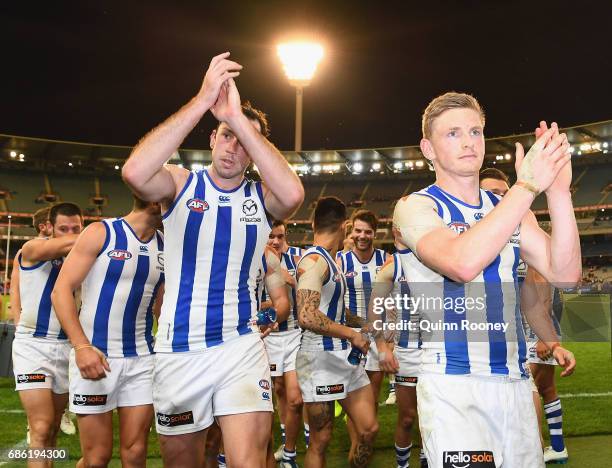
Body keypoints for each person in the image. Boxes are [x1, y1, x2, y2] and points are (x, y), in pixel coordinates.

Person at [121, 52, 304, 468]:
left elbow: (293, 196)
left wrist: (238, 119)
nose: (233, 147)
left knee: (247, 463)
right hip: (178, 349)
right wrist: (205, 99)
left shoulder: (262, 197)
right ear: (211, 139)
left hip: (239, 345)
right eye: (226, 135)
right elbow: (134, 173)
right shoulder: (181, 182)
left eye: (242, 141)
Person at [392, 92, 580, 467]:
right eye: (453, 133)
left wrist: (558, 193)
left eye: (476, 132)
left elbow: (567, 274)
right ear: (427, 148)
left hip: (514, 383)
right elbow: (461, 263)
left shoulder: (505, 208)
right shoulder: (416, 206)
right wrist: (526, 188)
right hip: (454, 385)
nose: (468, 142)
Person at [51, 197, 165, 468]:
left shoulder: (167, 244)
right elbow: (61, 290)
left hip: (142, 362)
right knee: (96, 458)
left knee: (136, 455)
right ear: (154, 201)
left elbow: (163, 306)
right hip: (95, 356)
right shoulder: (102, 232)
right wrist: (82, 347)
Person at [480, 167, 574, 463]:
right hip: (490, 335)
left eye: (503, 193)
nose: (498, 198)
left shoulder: (522, 225)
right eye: (491, 192)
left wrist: (547, 337)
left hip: (527, 327)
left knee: (534, 390)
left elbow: (541, 284)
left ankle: (547, 446)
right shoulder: (472, 230)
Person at [296, 196, 378, 467]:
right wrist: (352, 334)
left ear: (312, 222)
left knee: (368, 429)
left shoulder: (331, 262)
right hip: (319, 357)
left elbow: (334, 311)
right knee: (321, 439)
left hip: (345, 355)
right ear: (345, 225)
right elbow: (307, 315)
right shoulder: (314, 261)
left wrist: (362, 324)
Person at [11, 202, 83, 462]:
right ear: (49, 227)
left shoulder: (83, 257)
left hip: (67, 348)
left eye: (77, 227)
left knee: (52, 429)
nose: (71, 233)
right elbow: (66, 245)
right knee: (40, 428)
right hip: (33, 346)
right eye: (64, 228)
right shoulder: (32, 248)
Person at [336, 210, 387, 456]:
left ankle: (365, 443)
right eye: (358, 230)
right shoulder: (340, 260)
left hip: (377, 337)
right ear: (351, 232)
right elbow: (336, 302)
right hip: (351, 336)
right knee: (355, 395)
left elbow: (393, 299)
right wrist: (360, 324)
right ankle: (357, 446)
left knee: (373, 396)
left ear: (375, 233)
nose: (362, 236)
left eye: (367, 231)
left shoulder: (386, 260)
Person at [371, 239, 426, 468]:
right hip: (409, 353)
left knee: (434, 418)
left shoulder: (440, 257)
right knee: (407, 418)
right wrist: (383, 348)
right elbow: (375, 310)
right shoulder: (394, 265)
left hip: (439, 352)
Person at [266, 220, 306, 466]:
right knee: (273, 393)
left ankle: (290, 454)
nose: (276, 242)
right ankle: (271, 452)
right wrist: (271, 306)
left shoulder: (299, 259)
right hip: (265, 338)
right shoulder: (254, 258)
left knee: (295, 398)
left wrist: (294, 283)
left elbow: (313, 296)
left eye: (280, 236)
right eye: (271, 236)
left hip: (293, 335)